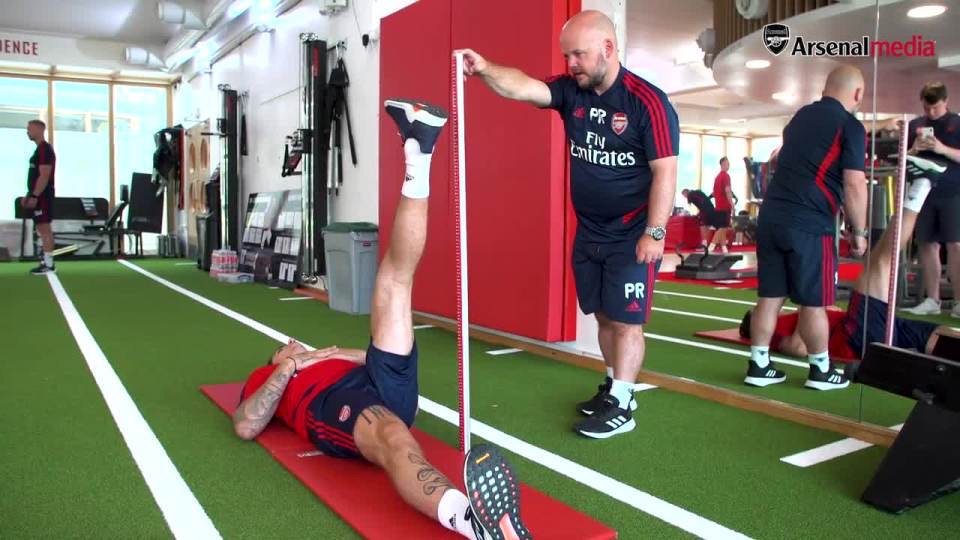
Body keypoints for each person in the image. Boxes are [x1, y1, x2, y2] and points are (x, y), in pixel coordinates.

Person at [232, 99, 530, 540]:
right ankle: (470, 521)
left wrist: (328, 354)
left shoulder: (323, 356)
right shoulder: (270, 375)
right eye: (285, 345)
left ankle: (419, 151)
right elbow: (246, 424)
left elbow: (363, 355)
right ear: (275, 357)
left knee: (393, 282)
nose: (292, 343)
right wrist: (290, 365)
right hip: (334, 403)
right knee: (394, 437)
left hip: (379, 375)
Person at [457, 10, 679, 439]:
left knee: (627, 322)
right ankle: (614, 386)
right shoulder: (572, 92)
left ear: (607, 49)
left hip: (632, 233)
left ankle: (624, 403)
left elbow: (665, 171)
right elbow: (524, 87)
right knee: (603, 316)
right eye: (566, 56)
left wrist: (655, 233)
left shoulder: (647, 102)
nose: (570, 63)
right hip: (590, 231)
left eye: (578, 54)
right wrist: (484, 69)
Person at [740, 155, 959, 376]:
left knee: (939, 336)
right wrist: (806, 307)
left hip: (866, 326)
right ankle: (923, 183)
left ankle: (922, 184)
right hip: (855, 337)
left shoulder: (783, 320)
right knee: (880, 262)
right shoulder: (775, 331)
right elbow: (798, 347)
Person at [748, 64, 869, 391]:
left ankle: (758, 365)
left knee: (770, 296)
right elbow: (855, 183)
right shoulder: (850, 126)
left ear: (825, 88)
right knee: (814, 301)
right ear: (858, 93)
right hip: (810, 222)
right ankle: (821, 371)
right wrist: (859, 232)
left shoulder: (800, 117)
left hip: (771, 216)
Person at [901, 83, 960, 317]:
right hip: (924, 193)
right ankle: (932, 300)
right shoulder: (916, 125)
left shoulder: (957, 123)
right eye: (927, 108)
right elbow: (904, 158)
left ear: (945, 101)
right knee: (927, 244)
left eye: (935, 107)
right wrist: (915, 148)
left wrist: (942, 149)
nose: (931, 112)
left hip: (953, 191)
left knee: (955, 245)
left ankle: (959, 302)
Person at [21, 119, 56, 275]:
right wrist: (29, 195)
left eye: (30, 129)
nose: (27, 132)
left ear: (39, 129)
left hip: (43, 195)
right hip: (38, 195)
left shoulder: (45, 150)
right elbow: (36, 177)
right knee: (41, 228)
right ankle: (46, 262)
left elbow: (44, 176)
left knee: (44, 228)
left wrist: (35, 195)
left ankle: (49, 264)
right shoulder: (39, 150)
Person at [711, 157, 735, 253]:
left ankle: (724, 247)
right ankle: (711, 246)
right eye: (727, 164)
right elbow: (728, 190)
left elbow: (714, 193)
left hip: (718, 205)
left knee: (723, 227)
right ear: (723, 164)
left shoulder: (717, 177)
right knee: (722, 228)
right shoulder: (726, 176)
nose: (729, 165)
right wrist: (732, 204)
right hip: (724, 206)